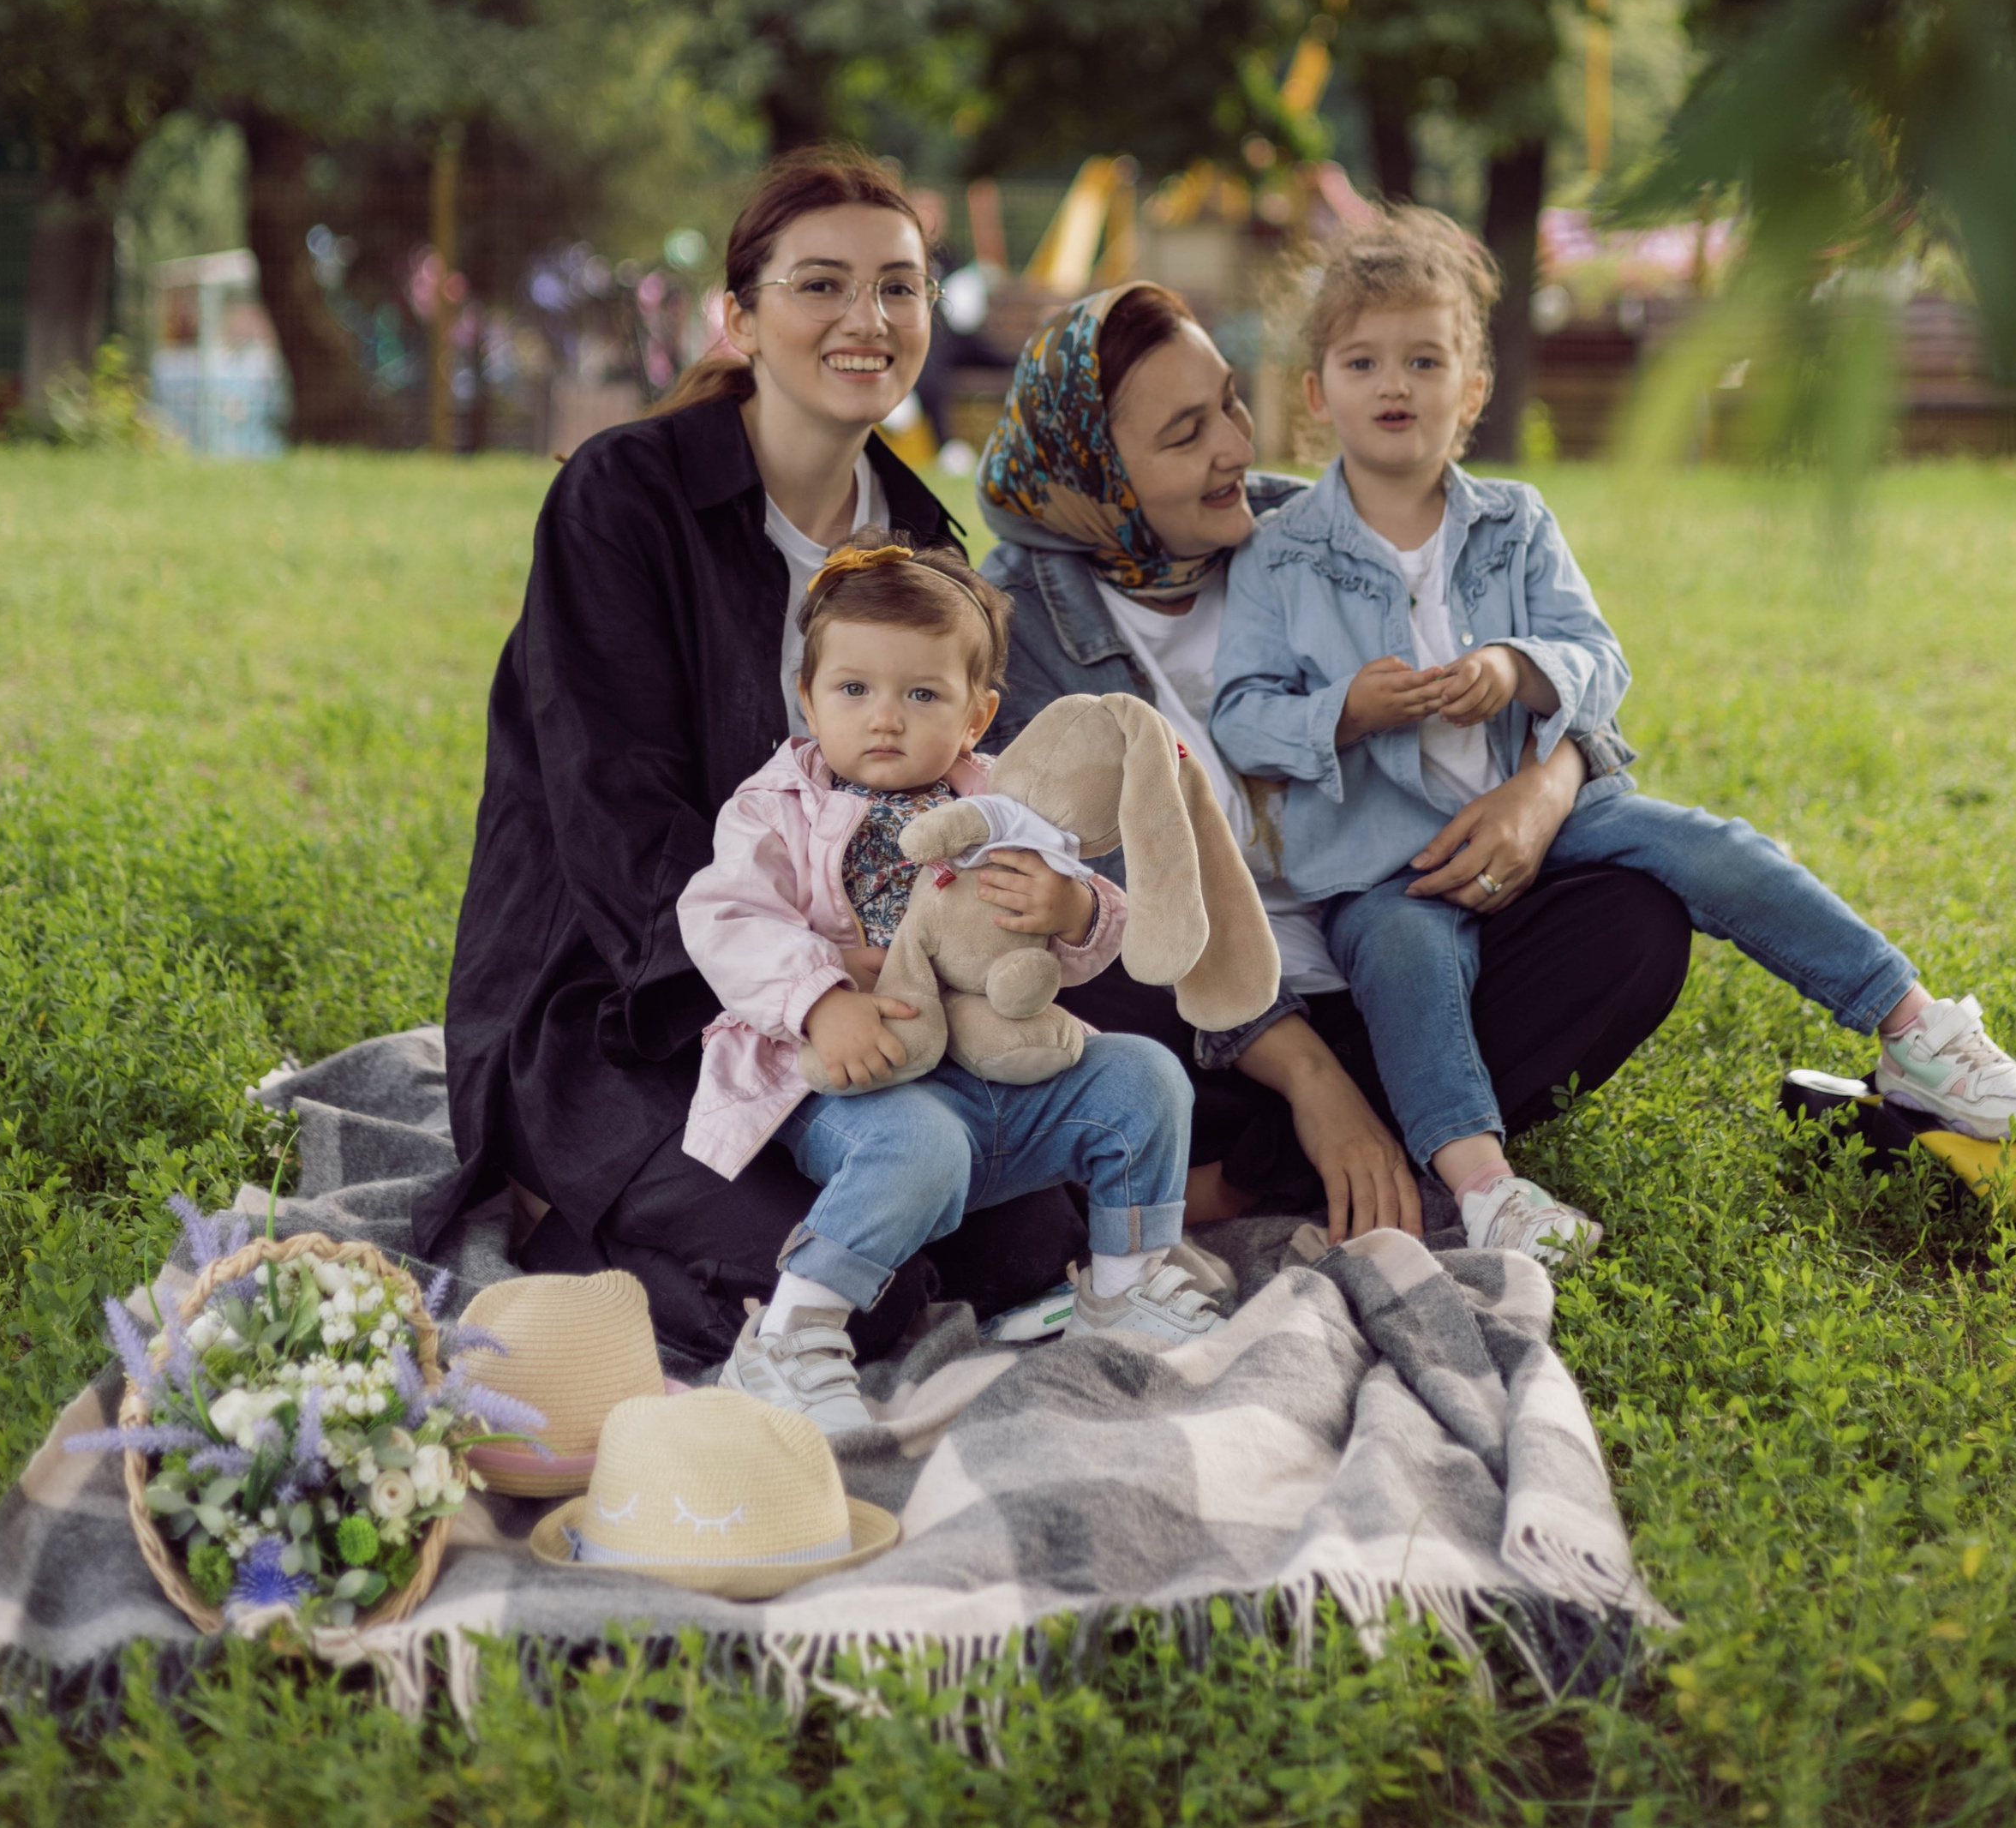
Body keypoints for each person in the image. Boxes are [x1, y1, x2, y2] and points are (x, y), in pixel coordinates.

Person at [1212, 207, 2016, 1258]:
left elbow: (1598, 659)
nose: (1395, 384)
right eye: (1363, 362)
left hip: (1553, 813)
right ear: (1315, 392)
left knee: (1713, 846)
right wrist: (1344, 709)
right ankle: (1485, 1191)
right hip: (1386, 866)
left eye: (1425, 360)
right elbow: (1240, 718)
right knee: (1404, 961)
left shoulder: (1516, 522)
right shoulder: (1280, 555)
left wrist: (1515, 668)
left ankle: (1913, 1028)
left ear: (1471, 391)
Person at [411, 150, 1093, 1364]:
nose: (866, 319)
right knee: (866, 1293)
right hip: (626, 1004)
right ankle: (566, 1213)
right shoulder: (625, 496)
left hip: (873, 1000)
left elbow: (955, 800)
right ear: (739, 318)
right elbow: (616, 820)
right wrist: (810, 988)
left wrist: (961, 948)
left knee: (1029, 1240)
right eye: (820, 285)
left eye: (898, 287)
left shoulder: (924, 549)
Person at [975, 280, 1696, 1241]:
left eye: (1230, 402)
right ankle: (1300, 1151)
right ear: (1092, 474)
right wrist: (1313, 1079)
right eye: (1186, 435)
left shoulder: (1311, 526)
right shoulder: (1013, 623)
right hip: (1199, 1015)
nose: (1236, 447)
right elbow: (1105, 894)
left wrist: (1546, 787)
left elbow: (1553, 673)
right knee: (1066, 929)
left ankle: (1246, 1175)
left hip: (1395, 952)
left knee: (1633, 924)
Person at [676, 532, 1225, 1435]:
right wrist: (820, 1000)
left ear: (977, 716)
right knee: (922, 1142)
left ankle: (1124, 1288)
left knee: (1145, 1077)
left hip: (998, 1075)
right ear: (807, 697)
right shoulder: (775, 807)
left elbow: (1077, 951)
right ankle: (786, 1337)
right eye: (854, 690)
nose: (885, 719)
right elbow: (725, 918)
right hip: (852, 1084)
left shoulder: (1008, 807)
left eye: (922, 695)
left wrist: (1072, 908)